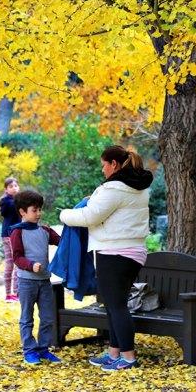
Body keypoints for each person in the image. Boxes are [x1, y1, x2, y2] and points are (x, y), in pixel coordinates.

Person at [59, 145, 152, 371]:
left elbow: (90, 216)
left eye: (103, 165)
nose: (102, 171)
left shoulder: (115, 188)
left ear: (114, 164)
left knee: (117, 306)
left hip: (115, 252)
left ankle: (128, 358)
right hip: (131, 251)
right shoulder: (137, 187)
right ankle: (114, 353)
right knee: (113, 305)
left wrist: (64, 214)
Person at [10, 189, 62, 365]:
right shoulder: (17, 232)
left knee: (47, 317)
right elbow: (17, 257)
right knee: (27, 318)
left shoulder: (45, 230)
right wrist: (31, 265)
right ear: (22, 212)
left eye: (40, 209)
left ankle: (43, 349)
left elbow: (63, 241)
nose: (39, 214)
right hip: (26, 282)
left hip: (44, 282)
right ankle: (29, 351)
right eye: (35, 210)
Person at [0, 177, 21, 303]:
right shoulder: (8, 201)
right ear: (6, 189)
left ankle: (13, 294)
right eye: (11, 186)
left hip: (13, 234)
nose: (14, 188)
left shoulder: (15, 200)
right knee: (14, 264)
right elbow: (10, 209)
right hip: (9, 235)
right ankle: (11, 294)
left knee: (13, 264)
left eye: (16, 185)